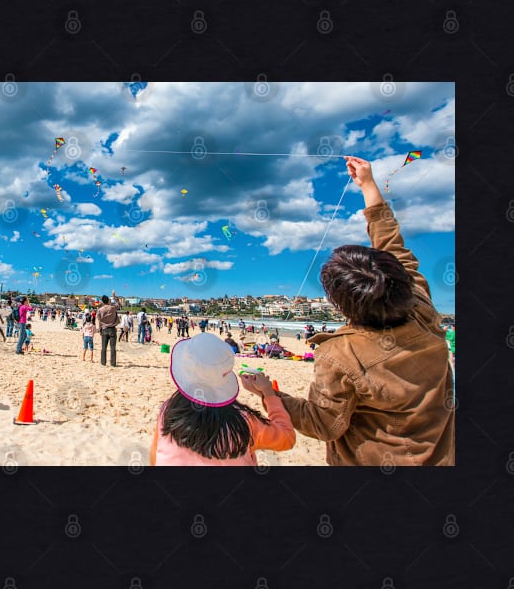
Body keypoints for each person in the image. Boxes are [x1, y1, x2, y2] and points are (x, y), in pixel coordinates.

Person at [262, 156, 454, 466]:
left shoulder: (341, 354)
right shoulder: (421, 307)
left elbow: (323, 424)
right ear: (400, 281)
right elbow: (393, 246)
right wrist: (368, 185)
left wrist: (269, 395)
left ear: (341, 306)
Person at [150, 332, 296, 465]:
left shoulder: (168, 411)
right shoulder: (243, 421)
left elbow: (154, 456)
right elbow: (286, 438)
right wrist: (268, 393)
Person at [96, 295, 120, 366]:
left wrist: (99, 329)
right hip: (112, 329)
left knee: (103, 347)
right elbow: (118, 304)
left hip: (104, 329)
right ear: (108, 301)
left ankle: (103, 363)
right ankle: (113, 363)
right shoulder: (112, 308)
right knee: (113, 348)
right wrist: (114, 296)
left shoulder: (100, 310)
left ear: (102, 301)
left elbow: (99, 320)